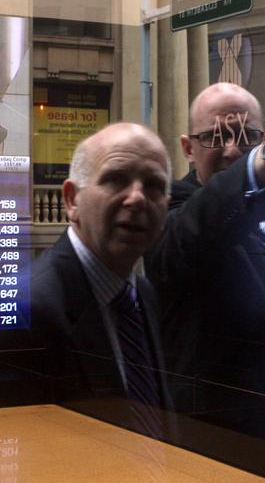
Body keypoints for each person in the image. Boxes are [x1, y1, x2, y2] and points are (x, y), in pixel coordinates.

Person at [144, 83, 265, 443]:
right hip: (219, 450)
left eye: (245, 136)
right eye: (216, 137)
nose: (232, 149)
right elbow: (186, 240)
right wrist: (258, 161)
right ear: (188, 148)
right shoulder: (171, 209)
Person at [28, 122, 173, 439]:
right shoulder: (28, 310)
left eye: (154, 186)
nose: (137, 199)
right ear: (72, 200)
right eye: (115, 179)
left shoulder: (143, 295)